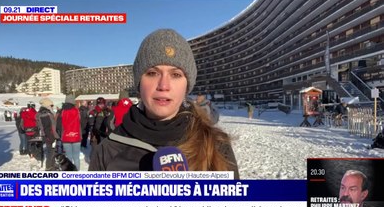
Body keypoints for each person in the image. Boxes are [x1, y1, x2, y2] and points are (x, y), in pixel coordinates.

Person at [89, 29, 239, 178]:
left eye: (175, 75)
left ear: (187, 86)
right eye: (152, 73)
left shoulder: (216, 145)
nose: (163, 85)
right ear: (139, 83)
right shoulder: (107, 151)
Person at [56, 95, 81, 170]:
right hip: (76, 136)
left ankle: (70, 173)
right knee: (76, 158)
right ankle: (77, 174)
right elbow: (80, 122)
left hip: (66, 137)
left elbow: (58, 125)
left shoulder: (62, 111)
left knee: (69, 157)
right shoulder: (77, 111)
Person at [36, 98, 60, 171]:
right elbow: (48, 127)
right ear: (47, 105)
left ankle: (51, 166)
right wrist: (53, 137)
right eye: (51, 105)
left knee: (51, 151)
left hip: (47, 135)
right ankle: (49, 167)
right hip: (49, 135)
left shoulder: (41, 113)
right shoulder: (45, 114)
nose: (52, 107)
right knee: (51, 152)